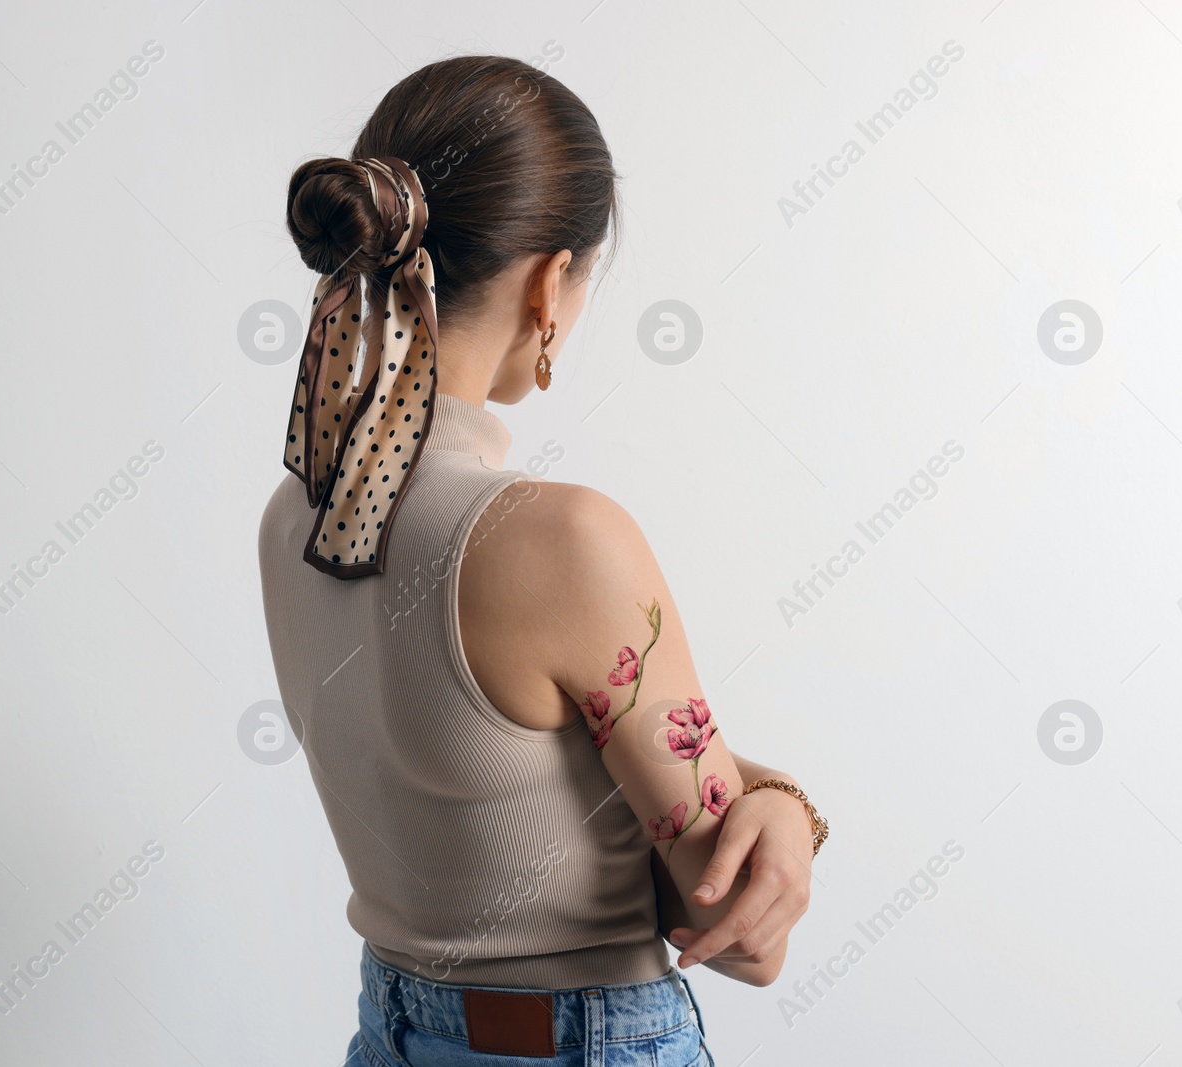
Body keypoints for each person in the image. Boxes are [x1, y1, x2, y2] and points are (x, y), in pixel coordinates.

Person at [258, 53, 827, 1067]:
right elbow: (740, 935)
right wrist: (785, 802)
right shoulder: (560, 539)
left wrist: (762, 794)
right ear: (550, 281)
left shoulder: (297, 511)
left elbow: (518, 776)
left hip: (387, 1033)